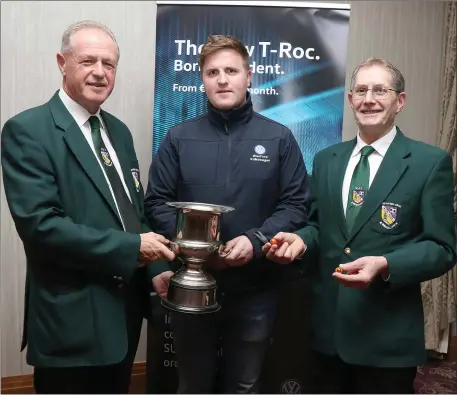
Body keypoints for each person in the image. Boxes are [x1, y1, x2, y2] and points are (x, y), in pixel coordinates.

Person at [262, 58, 457, 394]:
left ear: (400, 101)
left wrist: (385, 264)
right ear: (350, 100)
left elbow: (442, 248)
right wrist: (300, 242)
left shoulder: (429, 163)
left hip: (386, 340)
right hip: (327, 334)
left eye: (380, 90)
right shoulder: (326, 159)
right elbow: (318, 227)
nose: (369, 98)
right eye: (362, 91)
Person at [1, 20, 176, 394]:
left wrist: (157, 269)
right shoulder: (28, 130)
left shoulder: (119, 132)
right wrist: (133, 249)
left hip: (124, 316)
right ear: (62, 62)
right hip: (70, 320)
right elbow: (41, 227)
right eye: (88, 61)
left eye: (109, 64)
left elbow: (135, 214)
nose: (100, 72)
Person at [144, 34, 309, 393]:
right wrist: (196, 246)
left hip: (255, 287)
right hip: (192, 285)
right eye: (212, 71)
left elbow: (296, 205)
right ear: (201, 78)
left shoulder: (279, 138)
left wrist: (255, 240)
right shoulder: (177, 137)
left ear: (249, 76)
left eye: (231, 70)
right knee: (191, 383)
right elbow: (156, 202)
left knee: (245, 384)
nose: (222, 79)